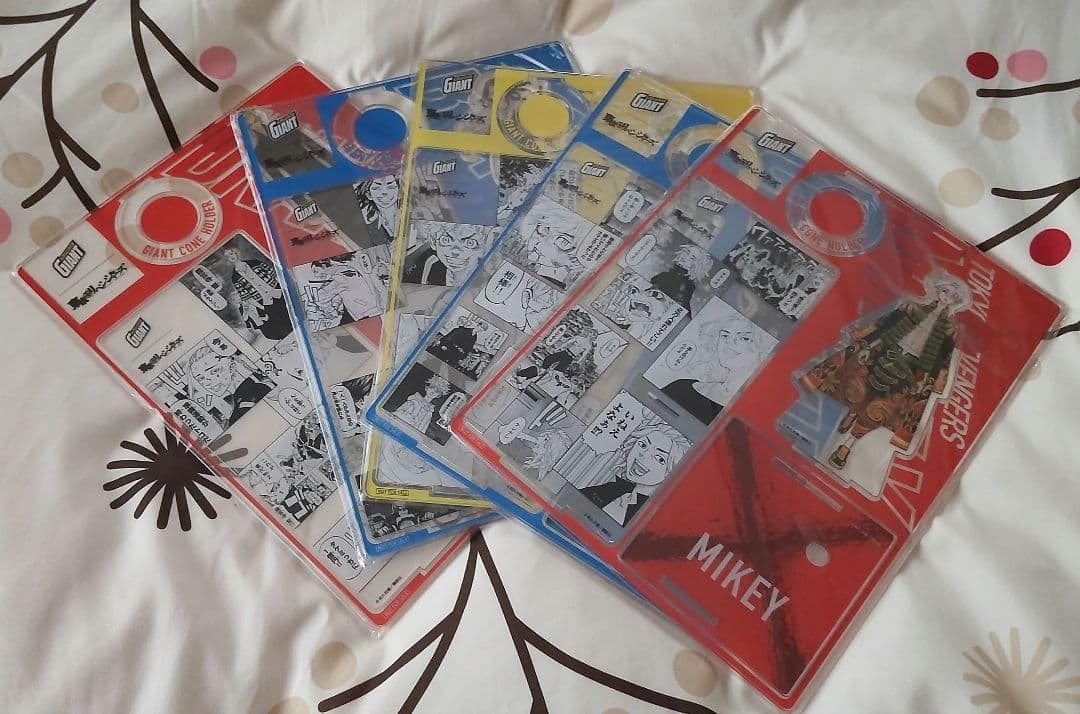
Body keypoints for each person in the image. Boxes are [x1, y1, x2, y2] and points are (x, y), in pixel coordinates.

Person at [799, 271, 971, 470]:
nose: (947, 297)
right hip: (885, 351)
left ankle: (847, 446)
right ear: (938, 290)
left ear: (955, 302)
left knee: (883, 407)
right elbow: (884, 323)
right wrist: (865, 334)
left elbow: (944, 357)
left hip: (911, 367)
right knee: (859, 385)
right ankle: (853, 413)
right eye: (945, 291)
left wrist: (937, 380)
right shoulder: (912, 306)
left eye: (952, 296)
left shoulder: (950, 328)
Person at [659, 310, 774, 424]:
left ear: (762, 344)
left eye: (744, 338)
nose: (730, 342)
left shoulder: (770, 395)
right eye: (725, 335)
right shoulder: (679, 389)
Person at [580, 418, 691, 526]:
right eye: (643, 445)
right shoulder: (602, 490)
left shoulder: (655, 518)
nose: (644, 455)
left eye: (660, 458)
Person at [187, 346, 271, 428]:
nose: (207, 382)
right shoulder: (233, 400)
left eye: (214, 371)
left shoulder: (255, 392)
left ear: (232, 368)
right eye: (201, 378)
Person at [221, 246, 292, 341]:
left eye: (231, 253)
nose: (231, 256)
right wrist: (260, 306)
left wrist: (281, 285)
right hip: (263, 299)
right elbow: (246, 296)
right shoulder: (235, 277)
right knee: (277, 317)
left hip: (276, 289)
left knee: (289, 308)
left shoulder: (254, 263)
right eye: (228, 256)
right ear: (227, 260)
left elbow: (273, 273)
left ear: (235, 253)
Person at [403, 221, 492, 286]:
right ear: (433, 242)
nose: (455, 252)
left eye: (469, 243)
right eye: (446, 240)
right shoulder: (429, 263)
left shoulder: (488, 277)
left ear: (484, 246)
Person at [650, 244, 712, 312]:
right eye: (686, 252)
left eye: (692, 258)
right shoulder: (665, 275)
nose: (685, 256)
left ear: (696, 265)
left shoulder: (685, 285)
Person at [355, 174, 401, 242]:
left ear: (399, 191)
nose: (384, 192)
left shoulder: (412, 217)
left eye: (391, 187)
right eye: (376, 188)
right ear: (369, 195)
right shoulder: (371, 230)